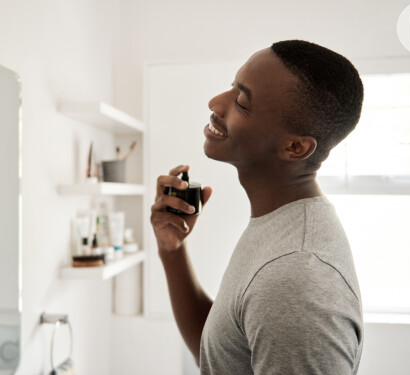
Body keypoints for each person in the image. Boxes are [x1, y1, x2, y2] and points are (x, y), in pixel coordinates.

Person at [150, 40, 364, 374]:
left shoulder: (296, 281)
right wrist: (172, 250)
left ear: (294, 147)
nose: (216, 103)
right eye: (230, 87)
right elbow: (221, 356)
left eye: (241, 102)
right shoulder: (279, 226)